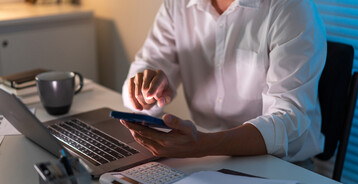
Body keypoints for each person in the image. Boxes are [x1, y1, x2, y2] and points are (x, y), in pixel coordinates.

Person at [121, 0, 327, 163]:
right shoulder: (177, 4)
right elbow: (149, 62)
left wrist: (203, 145)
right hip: (204, 155)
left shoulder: (291, 7)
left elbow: (290, 122)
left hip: (276, 163)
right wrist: (144, 92)